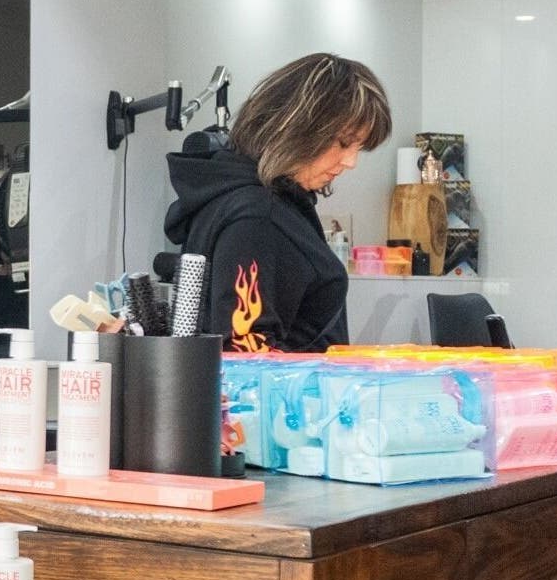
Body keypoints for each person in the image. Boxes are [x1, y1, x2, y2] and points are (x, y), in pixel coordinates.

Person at [163, 52, 392, 354]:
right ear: (297, 126)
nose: (350, 162)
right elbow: (246, 353)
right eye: (344, 143)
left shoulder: (238, 196)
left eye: (359, 148)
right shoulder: (258, 216)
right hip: (279, 400)